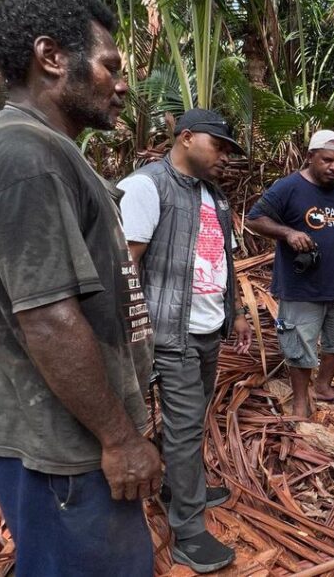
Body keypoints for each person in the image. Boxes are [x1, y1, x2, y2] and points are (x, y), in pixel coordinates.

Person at [0, 0, 161, 575]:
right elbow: (48, 318)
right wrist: (118, 439)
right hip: (61, 442)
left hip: (70, 429)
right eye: (110, 65)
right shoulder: (22, 155)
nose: (122, 84)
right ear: (52, 57)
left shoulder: (46, 150)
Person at [117, 108, 251, 573]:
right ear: (186, 137)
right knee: (185, 423)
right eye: (219, 147)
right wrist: (136, 338)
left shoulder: (216, 197)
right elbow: (125, 268)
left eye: (230, 151)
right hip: (169, 332)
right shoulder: (147, 186)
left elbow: (224, 265)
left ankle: (180, 484)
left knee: (190, 419)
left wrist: (235, 315)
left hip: (208, 329)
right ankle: (189, 533)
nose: (225, 158)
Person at [244, 130, 334, 418]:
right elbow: (254, 219)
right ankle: (299, 400)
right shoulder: (289, 188)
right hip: (301, 287)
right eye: (326, 160)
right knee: (299, 345)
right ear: (310, 157)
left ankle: (323, 385)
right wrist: (288, 232)